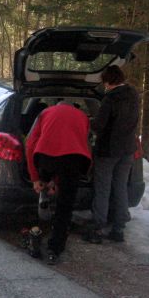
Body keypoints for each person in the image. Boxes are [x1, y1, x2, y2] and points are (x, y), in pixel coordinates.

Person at [26, 101, 92, 265]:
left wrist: (36, 179)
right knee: (65, 206)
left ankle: (37, 228)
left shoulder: (46, 113)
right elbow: (77, 143)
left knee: (45, 178)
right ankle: (54, 249)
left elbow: (30, 144)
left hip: (46, 157)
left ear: (57, 105)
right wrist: (58, 181)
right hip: (75, 160)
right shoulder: (83, 116)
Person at [84, 65, 140, 244]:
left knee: (103, 188)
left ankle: (98, 227)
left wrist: (87, 120)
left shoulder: (110, 99)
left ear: (108, 81)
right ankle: (118, 228)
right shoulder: (133, 95)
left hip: (108, 150)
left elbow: (99, 125)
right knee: (121, 187)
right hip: (128, 149)